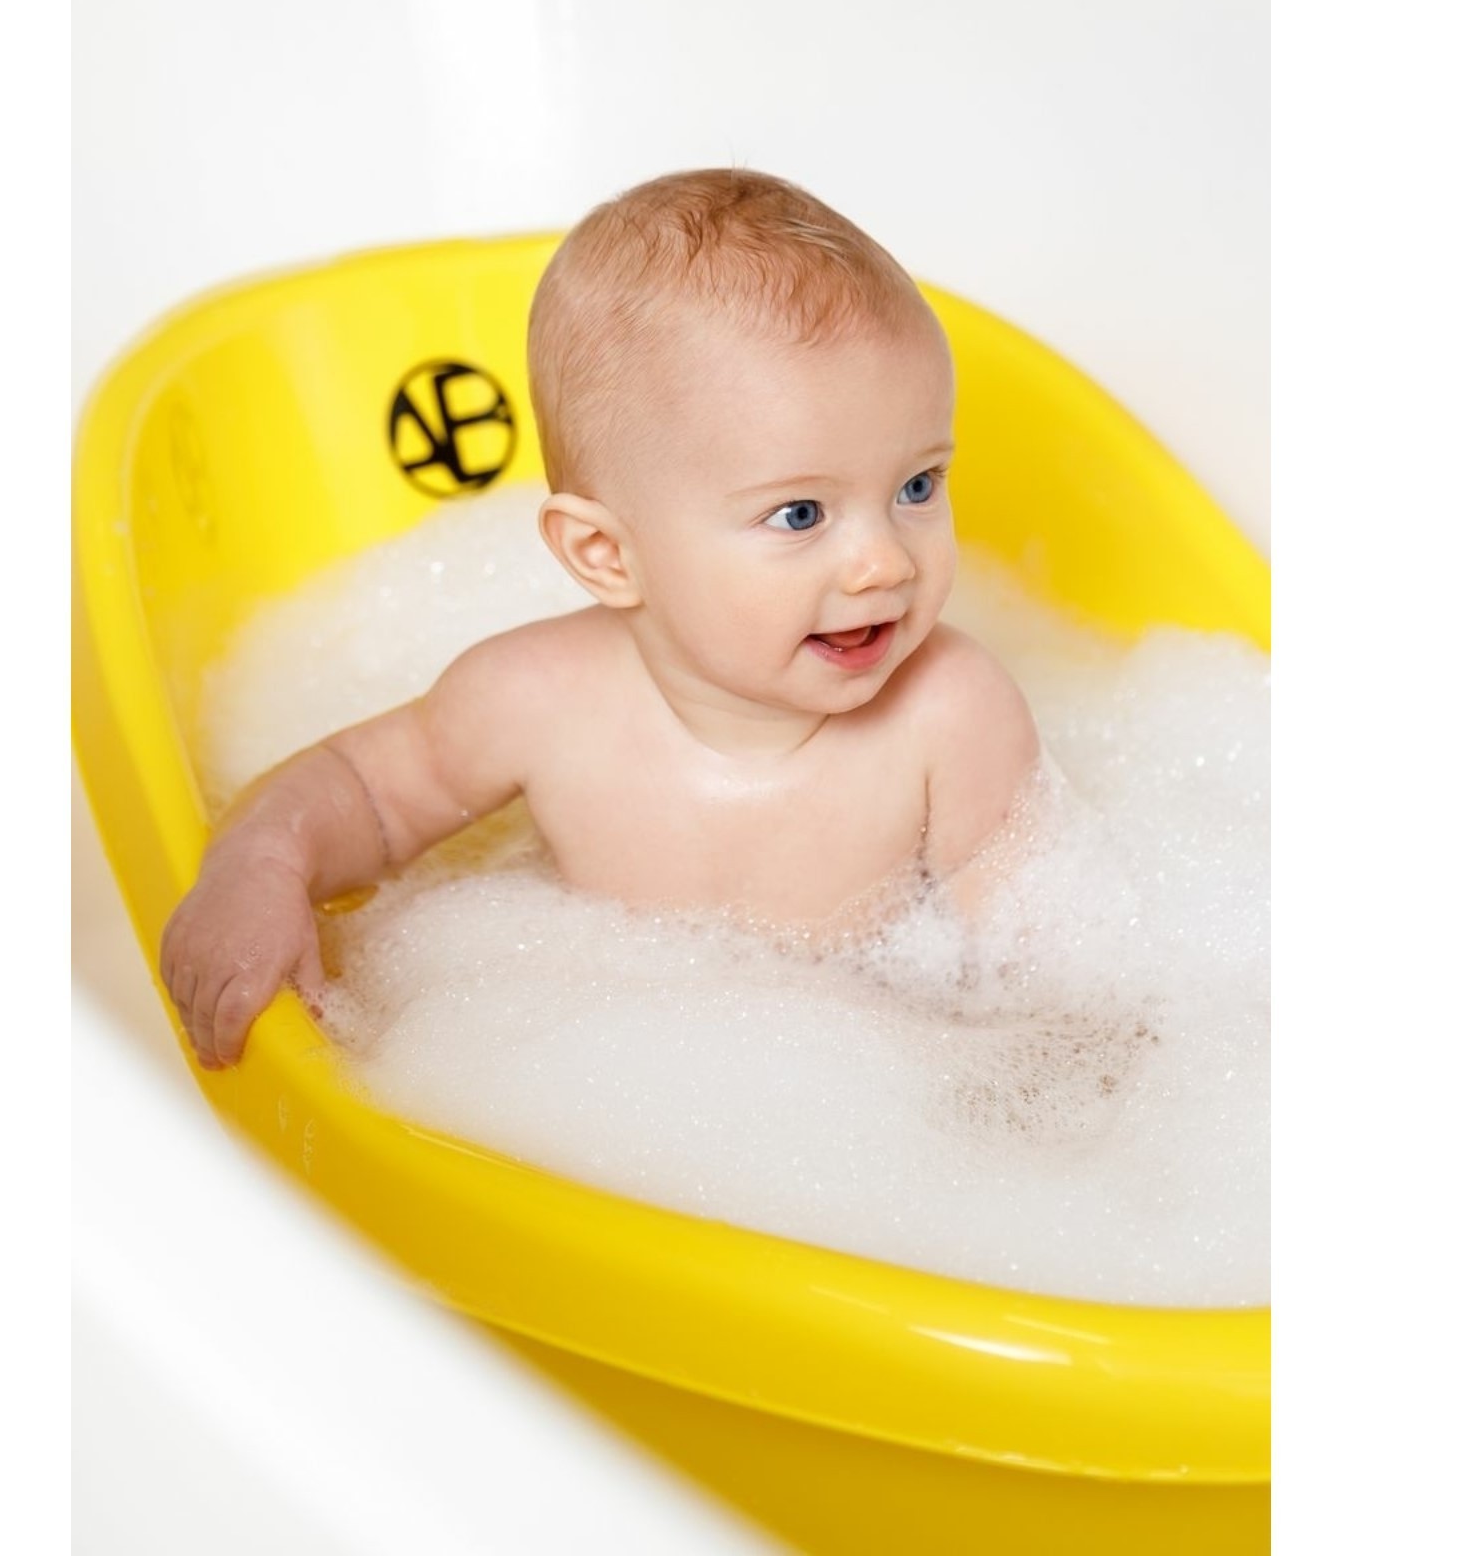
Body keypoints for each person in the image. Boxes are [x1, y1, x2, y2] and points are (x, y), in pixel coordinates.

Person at [161, 168, 1040, 1069]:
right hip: (589, 1063)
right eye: (801, 514)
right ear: (606, 556)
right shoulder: (536, 698)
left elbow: (1037, 973)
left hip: (860, 1091)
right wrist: (260, 869)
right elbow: (361, 794)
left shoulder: (951, 714)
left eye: (917, 486)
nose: (886, 562)